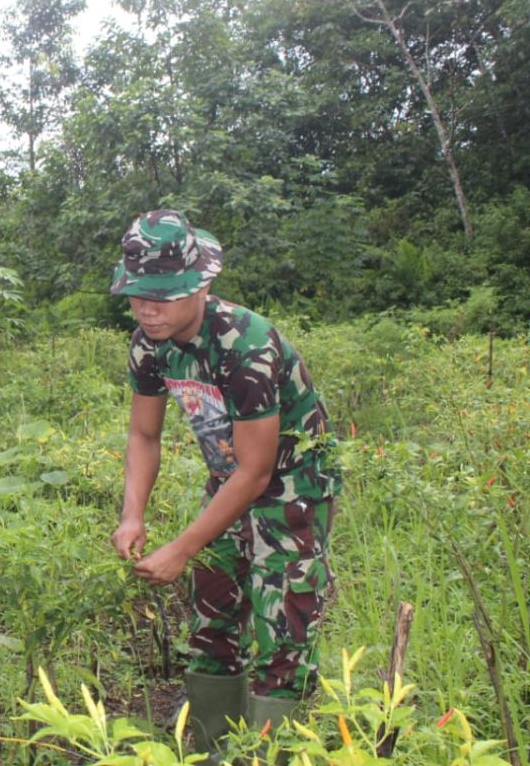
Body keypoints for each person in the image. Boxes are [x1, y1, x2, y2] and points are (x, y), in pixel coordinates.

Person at [107, 210, 340, 763]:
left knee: (282, 622)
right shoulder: (148, 345)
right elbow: (144, 434)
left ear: (201, 286)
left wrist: (181, 548)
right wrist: (132, 515)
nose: (147, 308)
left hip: (292, 484)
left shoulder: (246, 346)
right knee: (211, 611)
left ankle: (270, 755)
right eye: (138, 295)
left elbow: (258, 473)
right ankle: (216, 750)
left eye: (161, 296)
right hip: (227, 478)